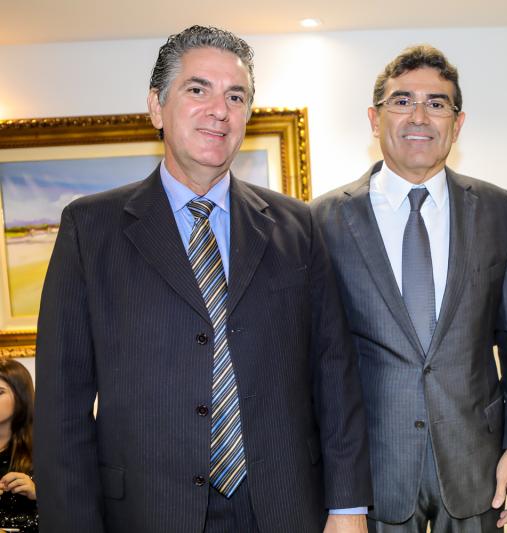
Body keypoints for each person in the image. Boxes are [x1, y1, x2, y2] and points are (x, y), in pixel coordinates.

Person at [34, 25, 371, 533]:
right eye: (198, 89)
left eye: (236, 96)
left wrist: (348, 508)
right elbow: (62, 406)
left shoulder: (297, 225)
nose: (220, 110)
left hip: (284, 508)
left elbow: (334, 373)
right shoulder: (91, 228)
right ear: (156, 107)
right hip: (146, 511)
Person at [311, 45, 507, 533]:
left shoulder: (497, 210)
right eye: (402, 101)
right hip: (371, 468)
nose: (419, 116)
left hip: (477, 463)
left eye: (437, 103)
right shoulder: (323, 219)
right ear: (374, 119)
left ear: (457, 124)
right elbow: (314, 358)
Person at [0, 360, 37, 533]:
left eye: (0, 392)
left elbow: (74, 506)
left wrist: (37, 493)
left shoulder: (45, 450)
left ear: (21, 396)